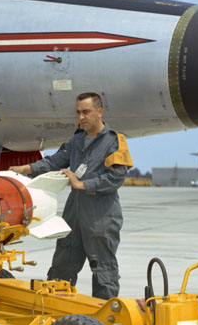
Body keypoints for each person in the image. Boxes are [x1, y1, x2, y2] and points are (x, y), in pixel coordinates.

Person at [10, 92, 131, 299]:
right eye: (78, 113)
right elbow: (54, 161)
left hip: (100, 218)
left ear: (99, 112)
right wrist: (26, 168)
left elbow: (116, 177)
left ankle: (104, 322)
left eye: (86, 112)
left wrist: (82, 184)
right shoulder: (77, 140)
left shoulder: (114, 142)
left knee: (103, 273)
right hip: (73, 216)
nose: (81, 117)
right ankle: (56, 316)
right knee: (61, 268)